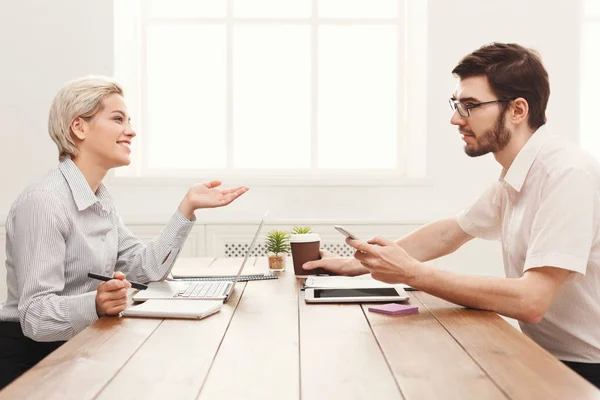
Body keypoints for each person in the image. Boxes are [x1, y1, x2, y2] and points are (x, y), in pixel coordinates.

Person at [304, 43, 600, 389]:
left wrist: (413, 273)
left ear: (518, 110)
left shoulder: (566, 174)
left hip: (587, 369)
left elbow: (531, 301)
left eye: (470, 106)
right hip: (550, 356)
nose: (456, 118)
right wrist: (361, 263)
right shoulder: (518, 175)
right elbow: (453, 231)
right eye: (457, 104)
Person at [0, 76, 249, 389]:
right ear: (79, 127)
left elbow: (146, 269)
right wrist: (96, 303)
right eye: (118, 119)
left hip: (80, 345)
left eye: (129, 120)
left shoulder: (100, 198)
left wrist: (187, 208)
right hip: (31, 360)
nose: (130, 130)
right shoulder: (44, 202)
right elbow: (36, 318)